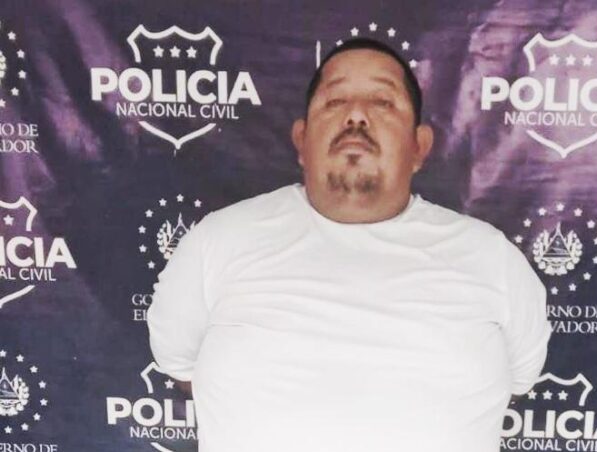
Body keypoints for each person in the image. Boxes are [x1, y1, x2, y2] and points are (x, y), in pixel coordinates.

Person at [147, 37, 551, 452]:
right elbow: (180, 365)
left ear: (419, 146)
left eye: (383, 102)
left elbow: (518, 380)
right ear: (302, 140)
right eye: (335, 101)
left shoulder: (492, 259)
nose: (356, 115)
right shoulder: (215, 243)